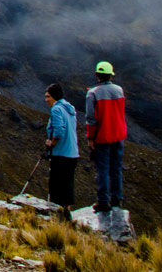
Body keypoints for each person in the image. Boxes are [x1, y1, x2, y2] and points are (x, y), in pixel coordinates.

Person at [85, 60, 127, 212]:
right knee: (116, 168)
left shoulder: (92, 93)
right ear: (110, 75)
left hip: (103, 136)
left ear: (97, 74)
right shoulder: (119, 90)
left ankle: (103, 201)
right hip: (118, 134)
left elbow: (91, 118)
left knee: (102, 168)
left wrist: (90, 138)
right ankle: (116, 199)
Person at [44, 82, 79, 217]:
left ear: (54, 97)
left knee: (56, 187)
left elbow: (59, 132)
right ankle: (67, 214)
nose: (46, 100)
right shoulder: (69, 109)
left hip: (61, 154)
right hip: (72, 154)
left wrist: (51, 143)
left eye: (48, 96)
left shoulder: (56, 109)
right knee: (67, 185)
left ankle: (56, 217)